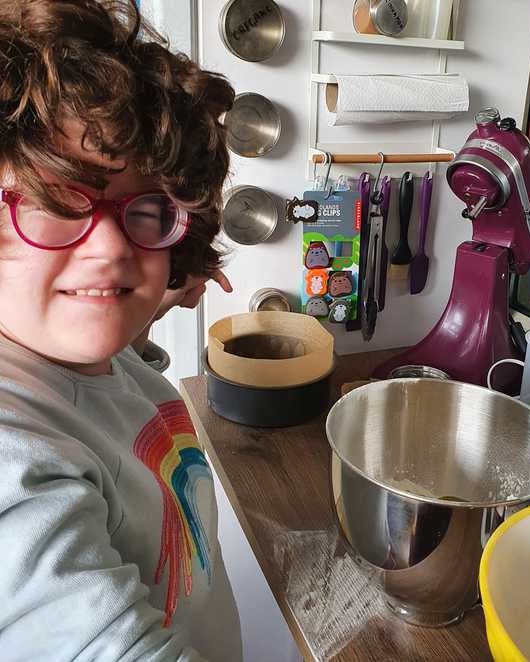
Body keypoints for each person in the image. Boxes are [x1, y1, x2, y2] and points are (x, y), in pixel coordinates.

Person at [0, 1, 243, 659]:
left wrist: (154, 301)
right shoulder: (16, 465)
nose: (110, 247)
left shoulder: (66, 346)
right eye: (56, 202)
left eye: (146, 207)